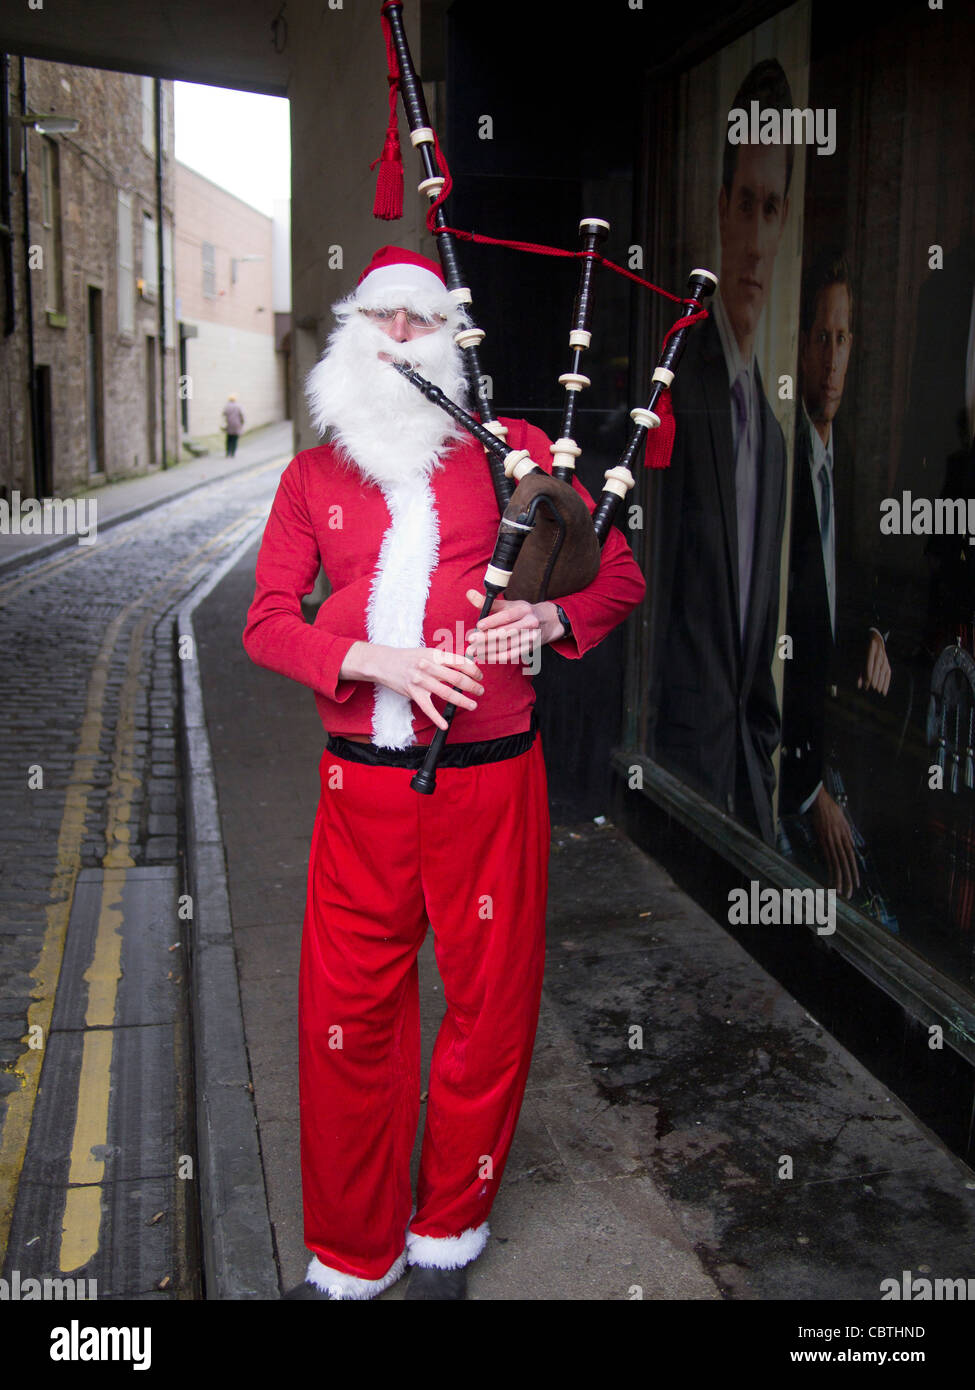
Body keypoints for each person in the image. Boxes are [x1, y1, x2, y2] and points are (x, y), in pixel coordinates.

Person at [242, 246, 646, 1300]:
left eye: (420, 319)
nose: (399, 336)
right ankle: (351, 1256)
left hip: (490, 782)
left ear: (450, 341)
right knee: (345, 1020)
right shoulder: (311, 477)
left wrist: (545, 619)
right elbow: (267, 622)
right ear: (350, 336)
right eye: (380, 318)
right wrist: (372, 659)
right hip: (361, 791)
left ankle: (446, 1236)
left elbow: (618, 577)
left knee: (489, 1012)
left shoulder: (515, 454)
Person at [648, 59, 792, 845]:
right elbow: (646, 593)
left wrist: (759, 757)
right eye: (745, 203)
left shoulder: (769, 436)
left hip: (742, 790)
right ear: (720, 212)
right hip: (673, 783)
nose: (757, 238)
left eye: (772, 209)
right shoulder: (673, 379)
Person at [780, 251, 890, 895]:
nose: (831, 358)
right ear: (800, 346)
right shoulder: (782, 457)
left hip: (840, 756)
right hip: (794, 774)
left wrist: (874, 632)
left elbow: (850, 584)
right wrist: (808, 789)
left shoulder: (848, 463)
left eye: (842, 338)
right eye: (821, 337)